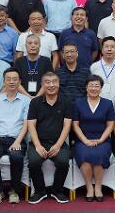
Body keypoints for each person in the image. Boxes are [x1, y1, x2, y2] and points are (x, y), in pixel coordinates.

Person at [26, 72, 73, 204]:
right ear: (42, 85)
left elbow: (67, 126)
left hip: (58, 142)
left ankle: (57, 191)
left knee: (63, 162)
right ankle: (40, 191)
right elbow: (31, 125)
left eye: (54, 82)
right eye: (47, 82)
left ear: (58, 84)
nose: (51, 85)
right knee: (34, 162)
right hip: (39, 142)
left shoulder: (66, 102)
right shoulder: (35, 102)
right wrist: (37, 146)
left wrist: (58, 145)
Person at [0, 68, 30, 204]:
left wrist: (18, 142)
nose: (11, 82)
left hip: (17, 139)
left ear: (19, 82)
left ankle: (14, 191)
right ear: (4, 82)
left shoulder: (26, 101)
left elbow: (26, 124)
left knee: (17, 157)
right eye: (8, 79)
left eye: (15, 79)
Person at [73, 75, 115, 202]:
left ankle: (98, 187)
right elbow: (75, 125)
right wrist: (85, 140)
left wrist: (101, 139)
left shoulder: (108, 103)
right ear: (86, 87)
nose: (94, 88)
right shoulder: (78, 103)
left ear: (101, 88)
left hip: (102, 140)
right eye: (91, 85)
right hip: (82, 140)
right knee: (85, 156)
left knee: (99, 155)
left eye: (97, 86)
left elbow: (110, 125)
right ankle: (89, 188)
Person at [90, 36, 115, 101]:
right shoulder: (94, 67)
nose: (109, 49)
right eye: (106, 46)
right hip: (99, 103)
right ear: (102, 49)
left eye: (112, 47)